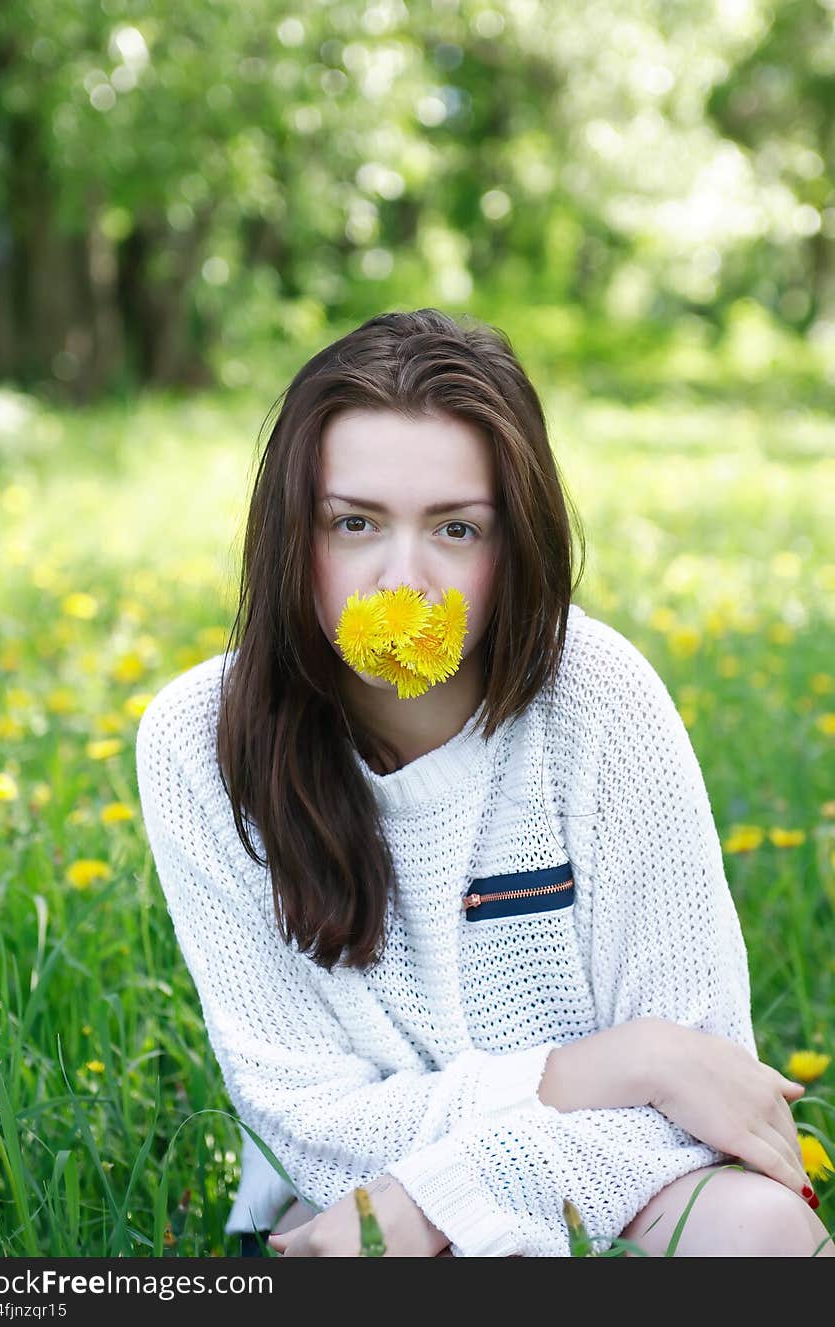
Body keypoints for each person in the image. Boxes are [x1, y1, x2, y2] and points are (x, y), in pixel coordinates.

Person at [135, 308, 830, 1258]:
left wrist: (445, 1196)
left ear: (515, 549)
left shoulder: (600, 696)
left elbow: (704, 1095)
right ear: (291, 536)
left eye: (456, 528)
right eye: (355, 523)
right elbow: (315, 1130)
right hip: (346, 1207)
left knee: (762, 1232)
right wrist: (626, 1062)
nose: (404, 580)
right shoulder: (197, 740)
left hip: (613, 1178)